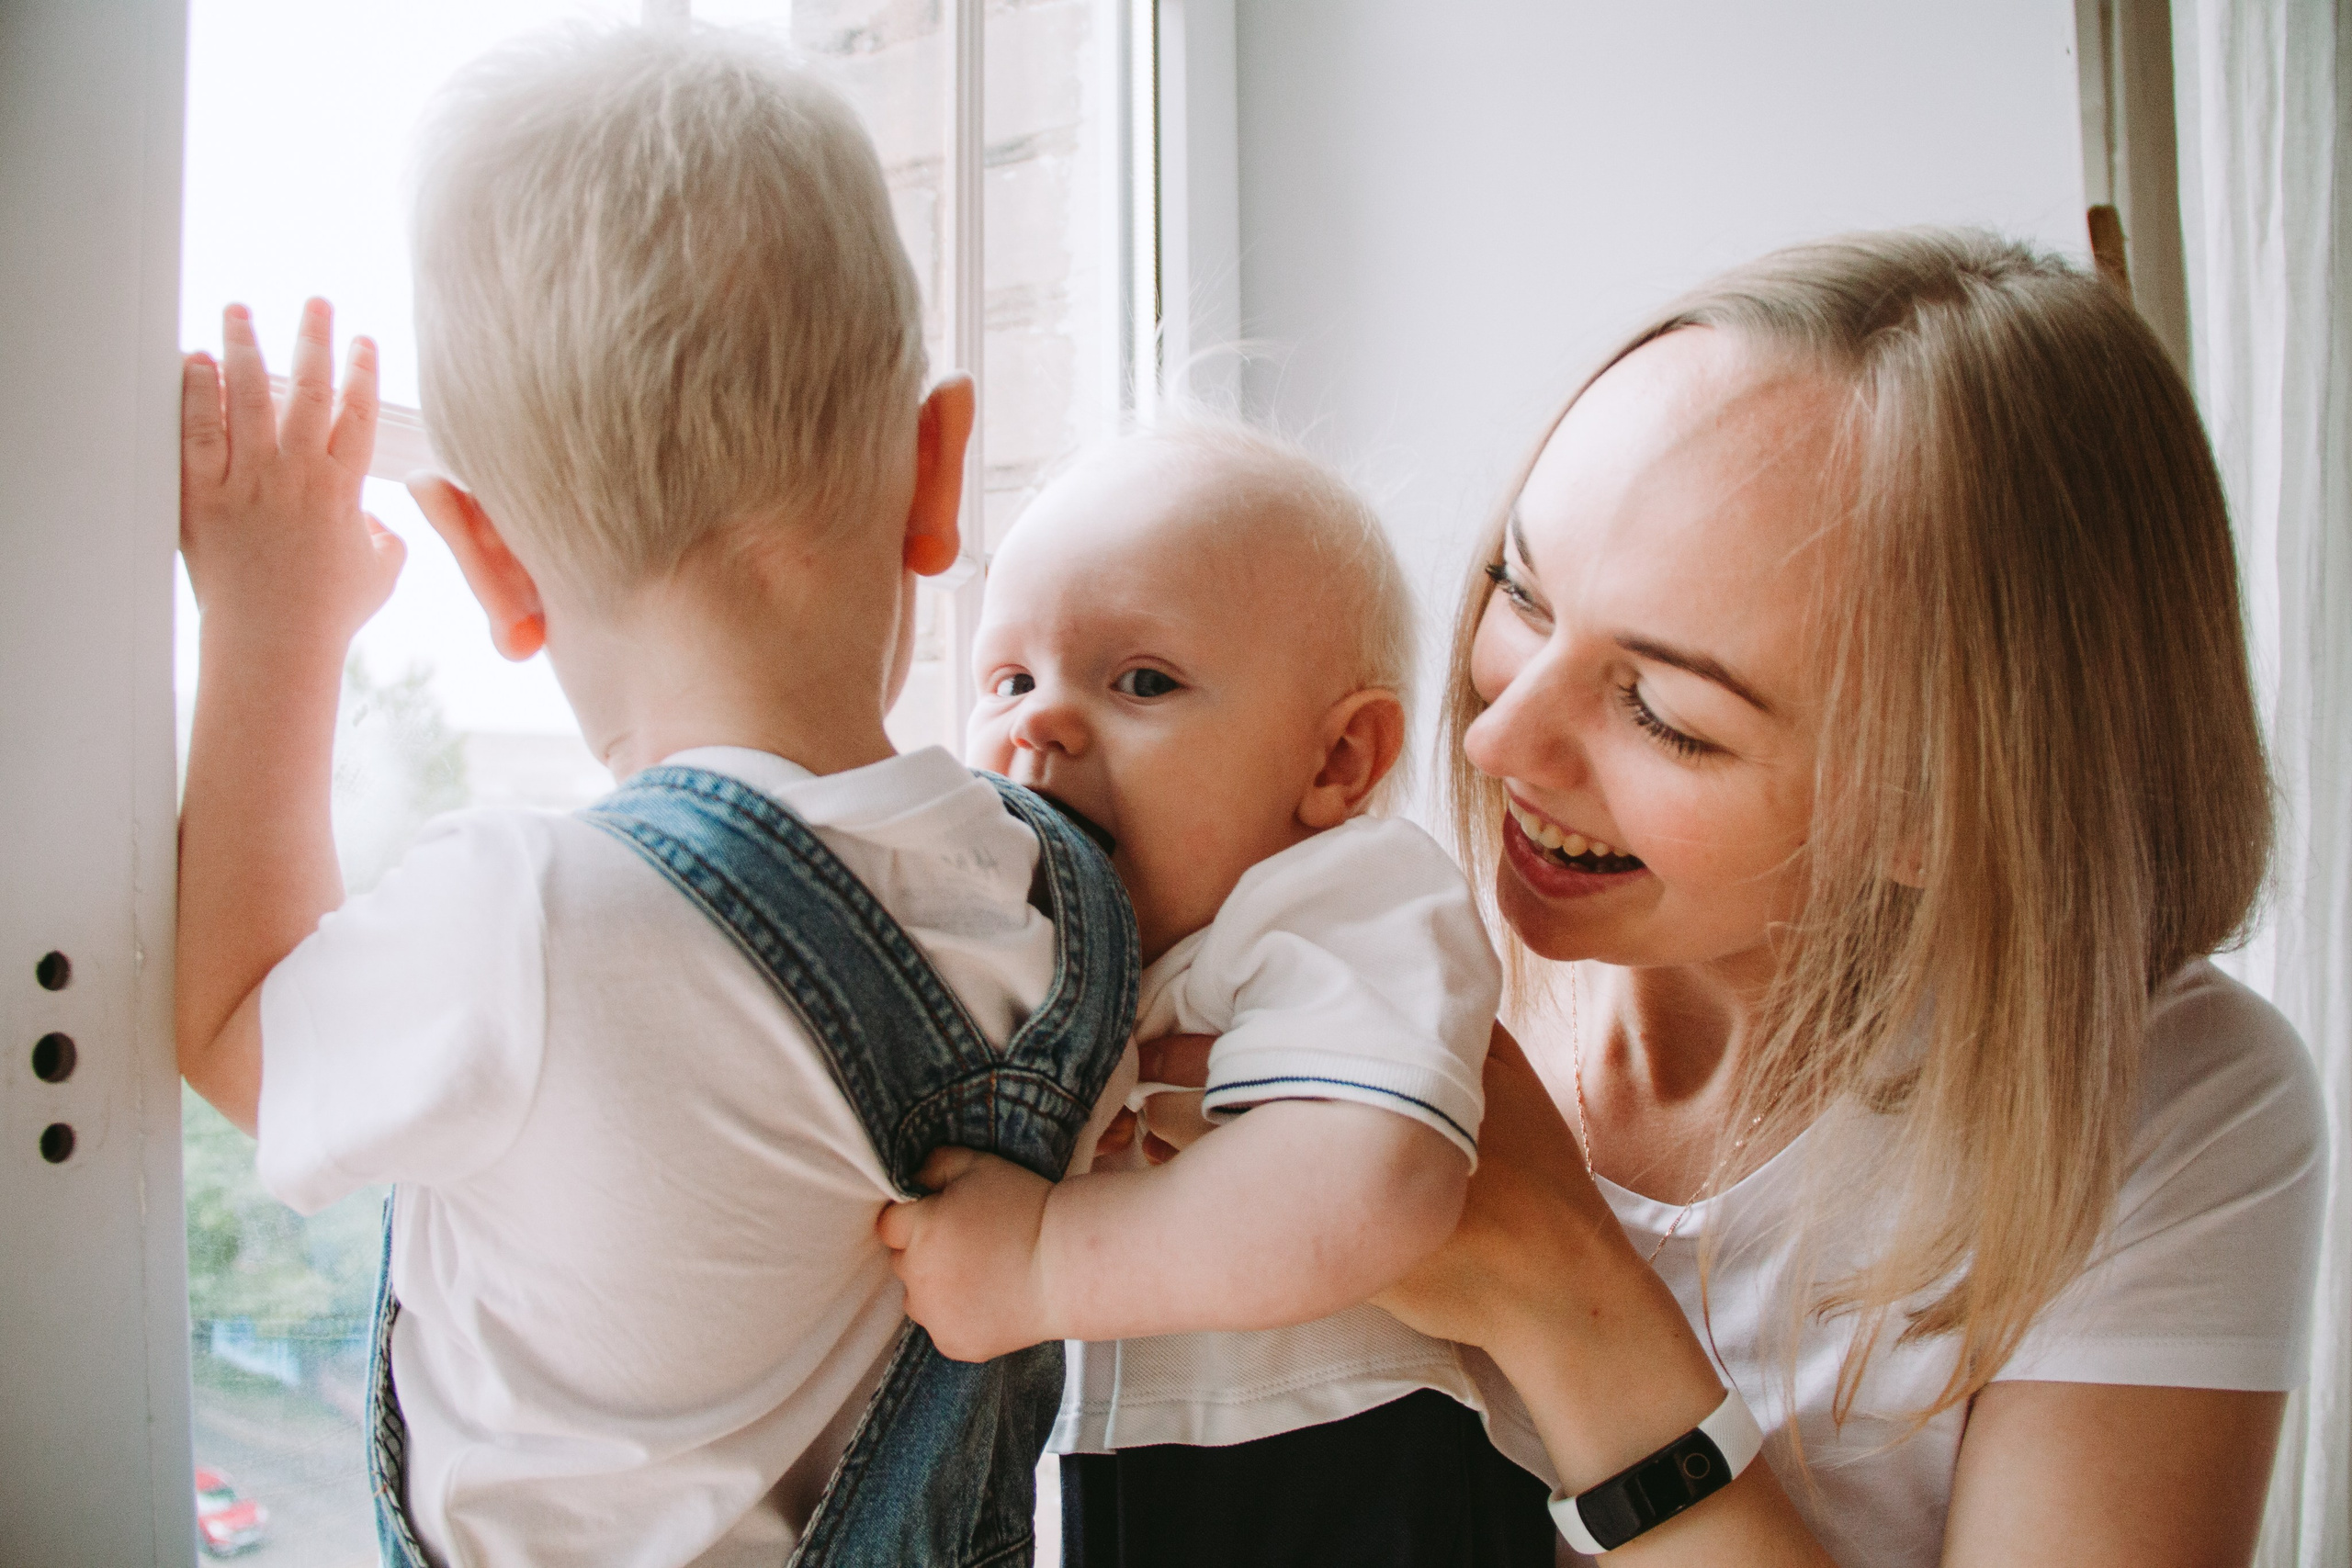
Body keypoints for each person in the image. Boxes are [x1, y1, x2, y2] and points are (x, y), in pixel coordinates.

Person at [1143, 230, 2327, 1566]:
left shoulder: (2156, 1104)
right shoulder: (1363, 949)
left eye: (1664, 711)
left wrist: (1567, 1296)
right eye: (1522, 594)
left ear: (1943, 805)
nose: (1495, 741)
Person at [173, 26, 1137, 1567]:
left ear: (488, 557)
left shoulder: (527, 920)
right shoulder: (1064, 899)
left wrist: (271, 622)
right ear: (938, 468)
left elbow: (233, 1028)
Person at [878, 421, 1557, 1566]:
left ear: (1335, 763)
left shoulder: (1347, 901)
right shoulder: (1029, 964)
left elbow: (1370, 1183)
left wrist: (1044, 1261)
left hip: (1348, 1485)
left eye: (1141, 680)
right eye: (1008, 678)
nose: (1036, 722)